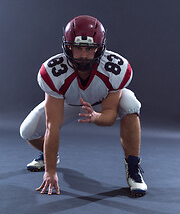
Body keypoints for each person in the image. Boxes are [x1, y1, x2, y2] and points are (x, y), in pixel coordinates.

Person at [20, 15, 147, 196]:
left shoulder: (114, 68)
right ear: (68, 46)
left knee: (131, 103)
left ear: (99, 48)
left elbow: (110, 115)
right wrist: (50, 171)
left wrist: (96, 117)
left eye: (90, 48)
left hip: (101, 101)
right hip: (68, 102)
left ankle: (134, 171)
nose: (83, 55)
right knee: (27, 131)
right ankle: (50, 157)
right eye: (78, 47)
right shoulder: (53, 71)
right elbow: (52, 125)